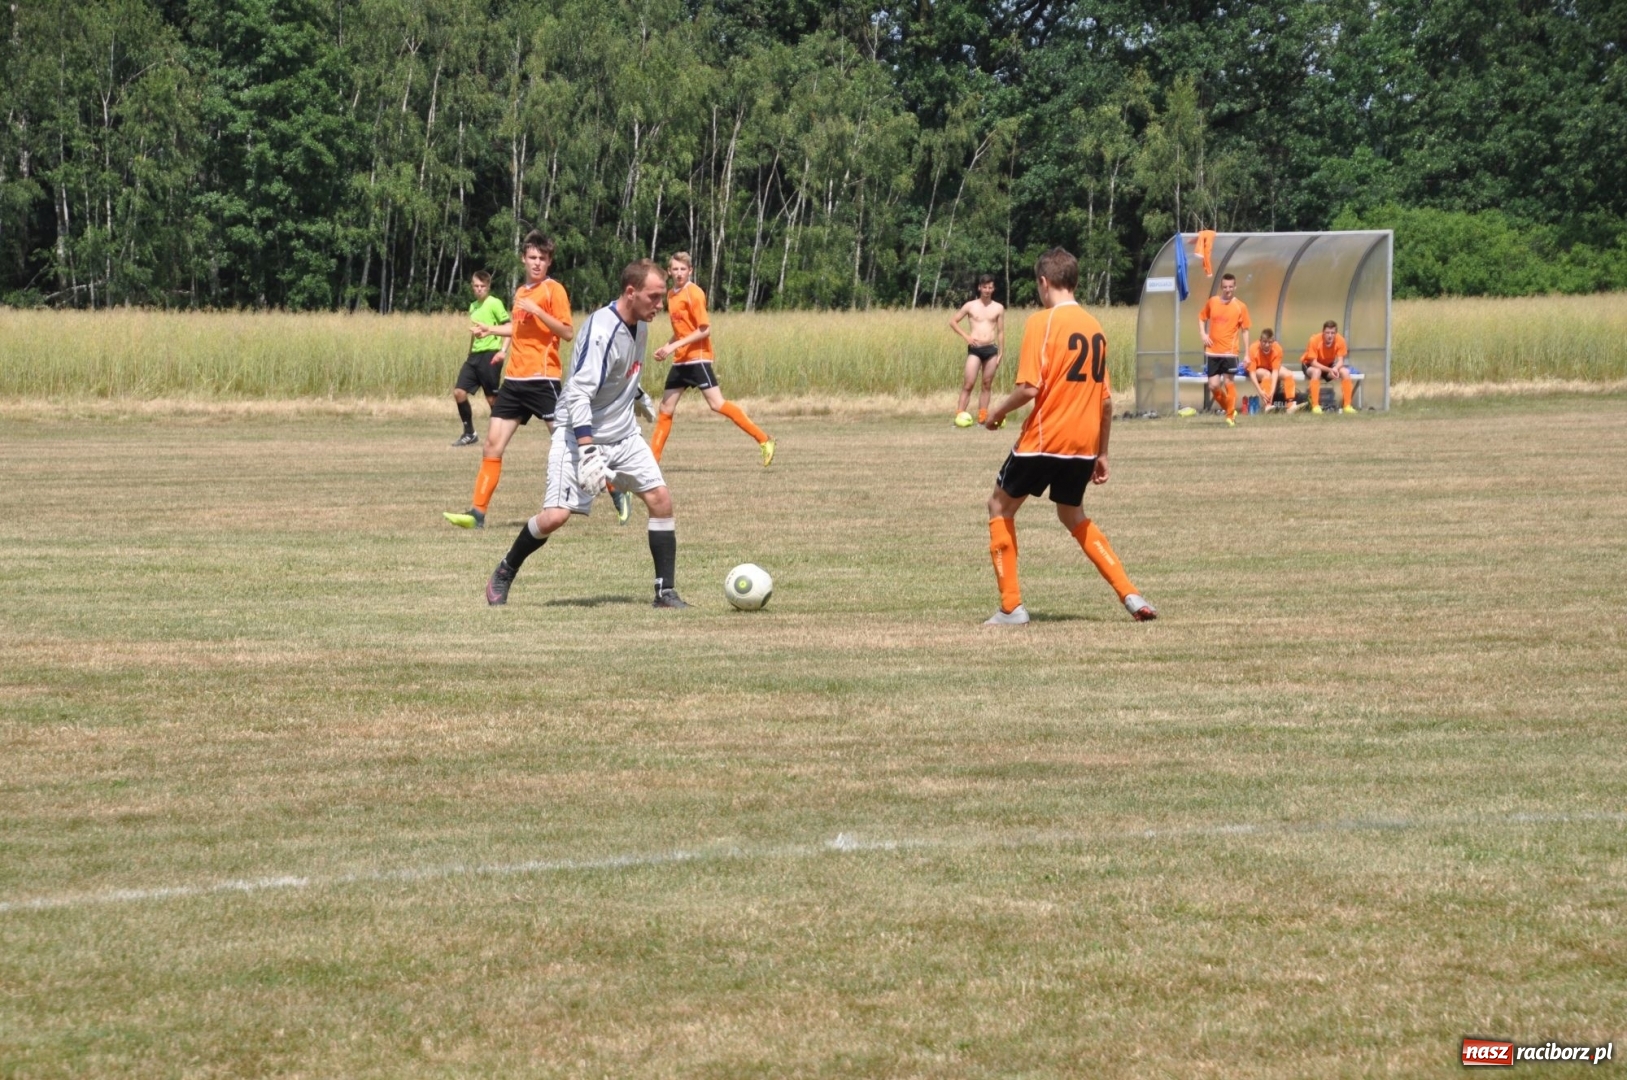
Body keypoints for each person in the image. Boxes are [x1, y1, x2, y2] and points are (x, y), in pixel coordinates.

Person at [484, 259, 689, 609]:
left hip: (623, 434)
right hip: (579, 435)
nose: (661, 304)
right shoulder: (601, 331)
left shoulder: (639, 322)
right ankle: (506, 568)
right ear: (631, 292)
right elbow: (579, 392)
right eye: (654, 297)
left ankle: (664, 592)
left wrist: (636, 393)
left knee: (661, 500)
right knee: (555, 517)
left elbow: (621, 369)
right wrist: (588, 448)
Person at [981, 247, 1156, 626]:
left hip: (1046, 439)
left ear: (1044, 282)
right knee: (1073, 514)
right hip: (1083, 444)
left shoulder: (1041, 322)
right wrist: (1102, 453)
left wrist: (996, 411)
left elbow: (1029, 389)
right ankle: (1130, 593)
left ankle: (1011, 606)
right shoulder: (1095, 327)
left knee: (999, 507)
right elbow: (1106, 402)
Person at [444, 232, 573, 530]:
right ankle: (477, 513)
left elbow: (566, 332)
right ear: (523, 259)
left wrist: (539, 311)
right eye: (532, 257)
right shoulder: (521, 292)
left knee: (567, 443)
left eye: (542, 258)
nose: (537, 263)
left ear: (549, 260)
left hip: (543, 379)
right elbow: (518, 327)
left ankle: (612, 487)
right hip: (515, 380)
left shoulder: (554, 291)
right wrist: (490, 329)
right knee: (491, 445)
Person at [648, 252, 775, 468]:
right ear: (669, 272)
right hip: (680, 361)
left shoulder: (694, 293)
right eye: (675, 269)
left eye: (683, 269)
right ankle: (652, 462)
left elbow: (704, 330)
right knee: (665, 409)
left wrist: (673, 347)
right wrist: (668, 346)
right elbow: (682, 330)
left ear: (690, 271)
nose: (679, 273)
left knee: (717, 404)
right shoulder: (670, 295)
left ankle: (764, 439)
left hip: (698, 359)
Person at [452, 271, 509, 446]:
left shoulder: (494, 303)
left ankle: (501, 432)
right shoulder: (473, 306)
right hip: (474, 356)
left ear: (488, 286)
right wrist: (469, 352)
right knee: (459, 392)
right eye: (476, 286)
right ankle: (469, 433)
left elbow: (508, 326)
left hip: (491, 354)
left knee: (492, 398)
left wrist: (503, 351)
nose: (479, 289)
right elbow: (474, 332)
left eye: (482, 286)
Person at [948, 274, 1006, 427]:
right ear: (979, 287)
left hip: (991, 350)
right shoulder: (970, 305)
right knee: (968, 384)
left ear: (993, 289)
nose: (987, 290)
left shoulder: (998, 307)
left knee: (987, 384)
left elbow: (1000, 332)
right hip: (975, 349)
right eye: (985, 287)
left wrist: (1001, 352)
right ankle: (959, 417)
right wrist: (966, 336)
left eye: (990, 287)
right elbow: (953, 322)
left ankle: (982, 418)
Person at [1198, 272, 1250, 426]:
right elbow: (1201, 317)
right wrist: (1203, 334)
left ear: (1235, 287)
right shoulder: (1213, 302)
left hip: (1230, 352)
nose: (1228, 290)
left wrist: (1247, 353)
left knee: (1228, 382)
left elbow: (1245, 330)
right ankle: (1230, 408)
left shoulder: (1240, 306)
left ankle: (1230, 417)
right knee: (1213, 385)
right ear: (1221, 287)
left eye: (1231, 287)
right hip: (1213, 352)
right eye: (1225, 287)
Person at [1301, 320, 1357, 414]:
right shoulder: (1314, 340)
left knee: (1345, 372)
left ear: (1336, 333)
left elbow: (1340, 361)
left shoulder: (1340, 340)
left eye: (1332, 333)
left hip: (1328, 365)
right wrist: (1330, 369)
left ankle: (1347, 405)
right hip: (1310, 364)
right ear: (1323, 332)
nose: (1330, 335)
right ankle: (1315, 406)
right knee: (1317, 372)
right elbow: (1313, 363)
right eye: (1327, 333)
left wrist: (1335, 369)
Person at [1245, 328, 1298, 413]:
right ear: (1260, 340)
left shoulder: (1277, 349)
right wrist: (1260, 391)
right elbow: (1252, 373)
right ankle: (1268, 405)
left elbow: (1275, 371)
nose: (1267, 345)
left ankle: (1290, 405)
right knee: (1266, 374)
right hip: (1257, 370)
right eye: (1264, 342)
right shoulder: (1253, 349)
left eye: (1269, 342)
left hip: (1271, 369)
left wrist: (1272, 390)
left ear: (1273, 342)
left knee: (1288, 374)